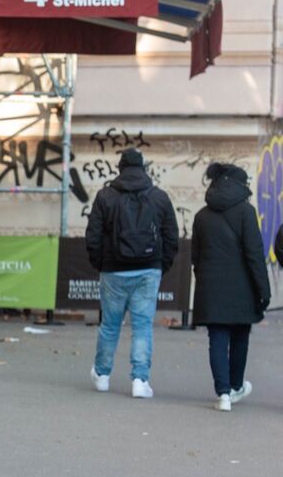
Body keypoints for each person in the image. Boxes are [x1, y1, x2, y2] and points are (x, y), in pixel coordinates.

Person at [85, 148, 180, 399]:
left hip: (113, 270)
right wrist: (160, 265)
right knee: (142, 326)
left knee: (109, 325)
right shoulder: (159, 197)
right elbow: (171, 236)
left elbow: (93, 236)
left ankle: (102, 375)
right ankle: (140, 380)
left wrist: (101, 264)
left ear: (120, 168)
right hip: (148, 269)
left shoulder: (105, 196)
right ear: (143, 168)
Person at [191, 163, 271, 412]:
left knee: (216, 338)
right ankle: (236, 385)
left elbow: (196, 257)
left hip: (211, 288)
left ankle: (223, 394)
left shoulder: (201, 216)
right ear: (240, 186)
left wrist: (204, 280)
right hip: (242, 288)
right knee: (240, 337)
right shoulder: (247, 212)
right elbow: (254, 254)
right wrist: (263, 290)